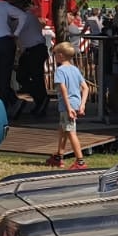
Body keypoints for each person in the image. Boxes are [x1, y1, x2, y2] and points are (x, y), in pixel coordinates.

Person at [47, 42, 88, 170]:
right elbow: (85, 88)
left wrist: (69, 108)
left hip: (67, 106)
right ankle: (59, 156)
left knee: (70, 132)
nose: (54, 56)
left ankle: (80, 161)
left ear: (60, 55)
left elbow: (63, 89)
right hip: (75, 103)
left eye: (54, 54)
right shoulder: (75, 69)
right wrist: (82, 105)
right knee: (63, 130)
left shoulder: (60, 70)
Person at [9, 0, 50, 118]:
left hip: (34, 49)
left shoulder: (24, 17)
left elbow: (13, 29)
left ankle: (41, 98)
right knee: (29, 76)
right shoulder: (28, 16)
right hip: (33, 49)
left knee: (30, 76)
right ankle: (40, 99)